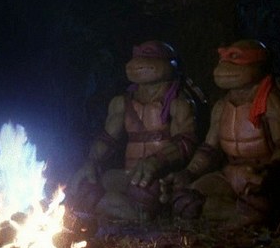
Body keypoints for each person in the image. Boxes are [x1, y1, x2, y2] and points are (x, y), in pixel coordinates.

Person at [162, 39, 280, 229]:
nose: (225, 67)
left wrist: (269, 172)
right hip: (230, 174)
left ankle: (242, 216)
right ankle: (238, 216)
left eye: (235, 58)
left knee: (263, 205)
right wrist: (189, 173)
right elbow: (210, 149)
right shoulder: (221, 106)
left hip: (261, 177)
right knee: (185, 199)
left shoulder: (272, 101)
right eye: (223, 60)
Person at [67, 40, 204, 221]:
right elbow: (107, 139)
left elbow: (185, 143)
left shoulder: (179, 102)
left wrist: (156, 161)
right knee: (85, 185)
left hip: (160, 179)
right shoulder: (122, 103)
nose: (140, 62)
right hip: (128, 174)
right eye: (137, 56)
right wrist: (90, 161)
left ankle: (134, 212)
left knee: (146, 194)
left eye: (148, 55)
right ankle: (131, 212)